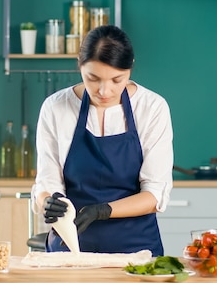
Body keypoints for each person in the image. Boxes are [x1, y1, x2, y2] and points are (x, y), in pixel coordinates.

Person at [32, 25, 173, 256]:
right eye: (93, 78)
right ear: (79, 64)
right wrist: (48, 201)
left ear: (130, 68)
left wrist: (103, 210)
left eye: (117, 80)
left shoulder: (152, 108)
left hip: (136, 253)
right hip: (69, 250)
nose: (104, 91)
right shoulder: (55, 107)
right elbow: (47, 181)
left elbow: (154, 194)